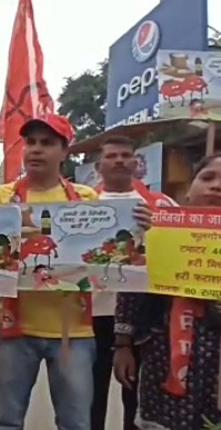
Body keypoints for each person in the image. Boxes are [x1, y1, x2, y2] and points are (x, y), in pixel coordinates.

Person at [0, 115, 151, 430]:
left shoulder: (86, 198)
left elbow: (109, 256)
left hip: (74, 332)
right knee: (6, 421)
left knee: (76, 422)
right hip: (15, 328)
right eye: (31, 142)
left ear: (65, 152)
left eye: (47, 143)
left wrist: (141, 230)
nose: (36, 150)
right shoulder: (2, 198)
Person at [114, 153, 221, 430]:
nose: (216, 186)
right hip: (163, 356)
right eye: (207, 178)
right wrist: (124, 346)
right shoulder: (156, 230)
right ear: (187, 193)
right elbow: (131, 290)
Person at [90, 136, 174, 430]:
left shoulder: (161, 204)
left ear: (137, 164)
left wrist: (160, 229)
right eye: (112, 156)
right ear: (99, 165)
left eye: (126, 155)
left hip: (142, 317)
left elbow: (179, 252)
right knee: (92, 396)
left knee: (136, 398)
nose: (120, 160)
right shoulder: (82, 205)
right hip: (93, 314)